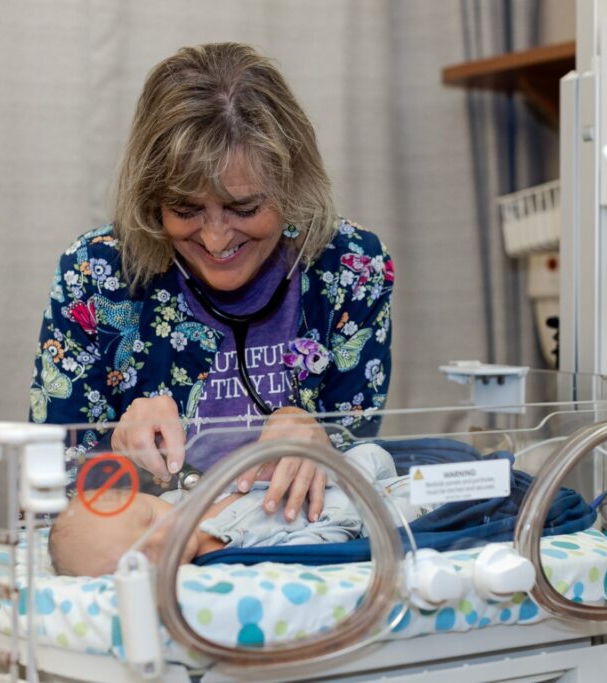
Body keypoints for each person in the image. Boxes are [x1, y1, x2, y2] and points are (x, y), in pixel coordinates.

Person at [30, 42, 394, 524]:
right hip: (151, 546)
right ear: (152, 201)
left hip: (294, 541)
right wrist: (116, 447)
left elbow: (364, 463)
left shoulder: (351, 267)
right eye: (185, 210)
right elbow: (49, 490)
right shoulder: (97, 273)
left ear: (292, 186)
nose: (216, 238)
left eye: (244, 209)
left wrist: (324, 440)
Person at [49, 444, 422, 576]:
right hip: (370, 514)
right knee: (427, 498)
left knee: (374, 454)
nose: (161, 537)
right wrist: (341, 519)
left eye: (149, 519)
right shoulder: (228, 557)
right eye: (141, 557)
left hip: (337, 473)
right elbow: (314, 550)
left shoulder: (182, 501)